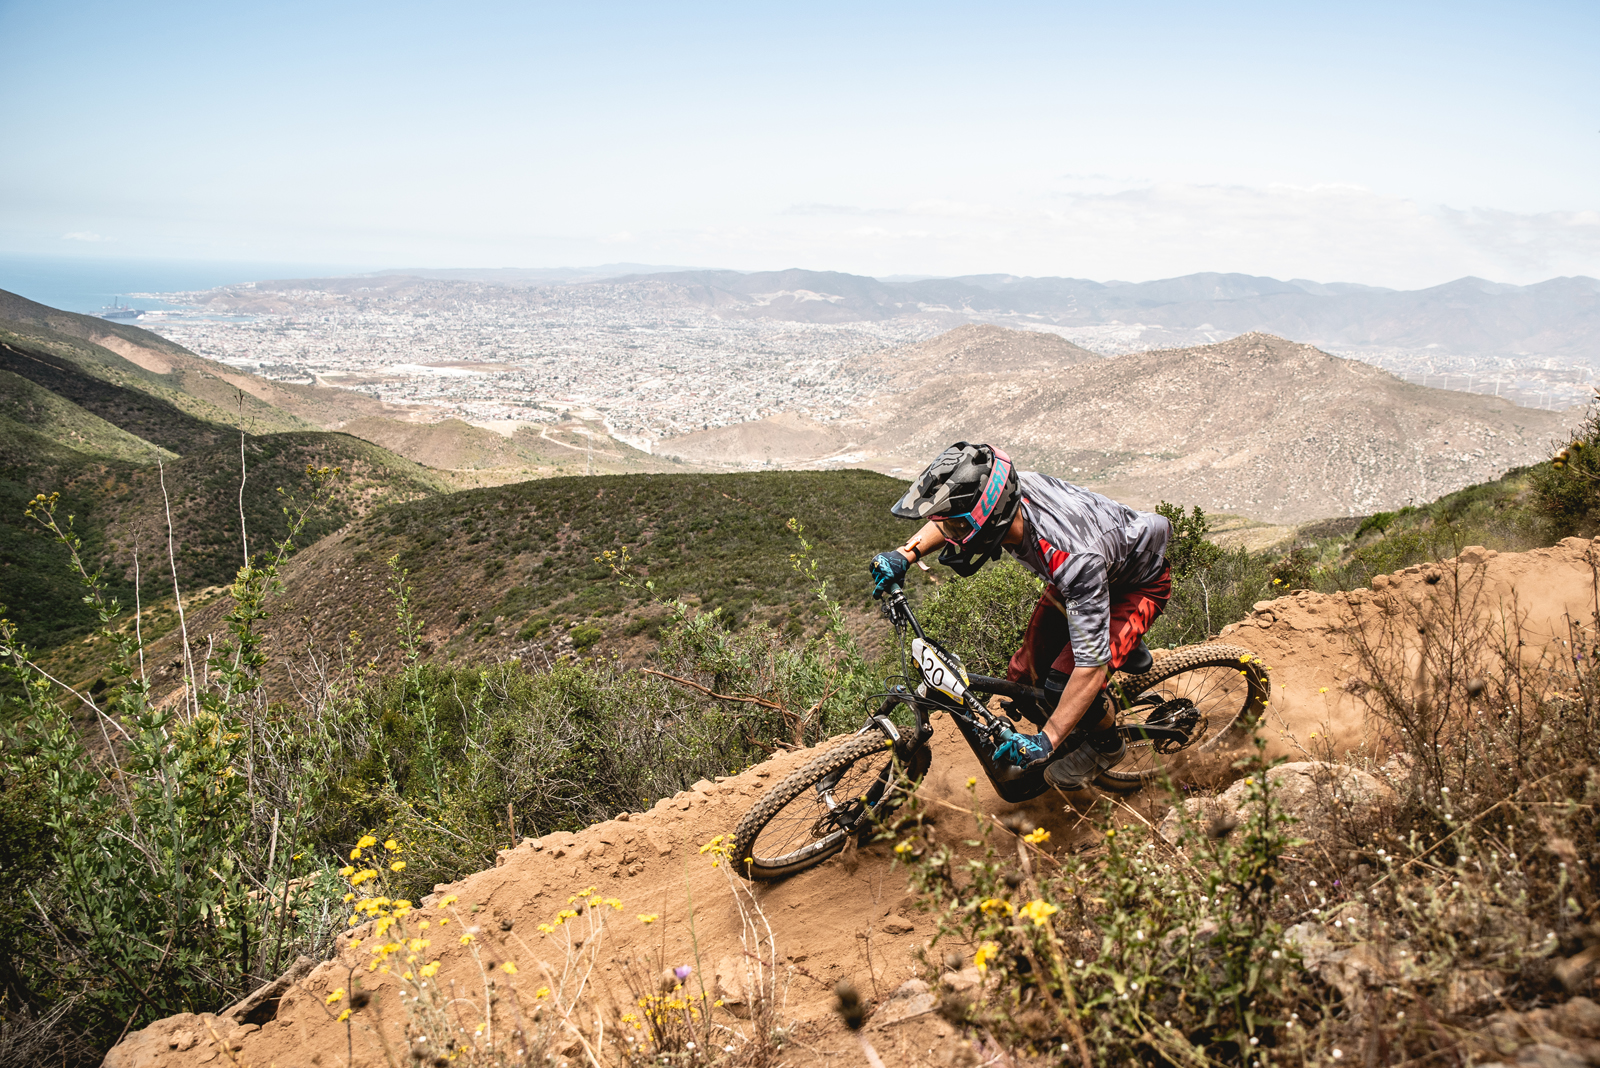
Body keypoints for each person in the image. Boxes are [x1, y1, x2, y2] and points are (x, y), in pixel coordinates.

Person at [869, 442, 1172, 790]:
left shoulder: (1072, 559)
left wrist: (1048, 740)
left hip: (1136, 585)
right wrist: (904, 554)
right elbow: (956, 516)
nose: (950, 538)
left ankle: (1107, 746)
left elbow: (1090, 670)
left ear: (990, 521)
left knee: (1062, 686)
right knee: (1023, 676)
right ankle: (1110, 651)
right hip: (1089, 577)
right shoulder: (1005, 493)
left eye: (956, 531)